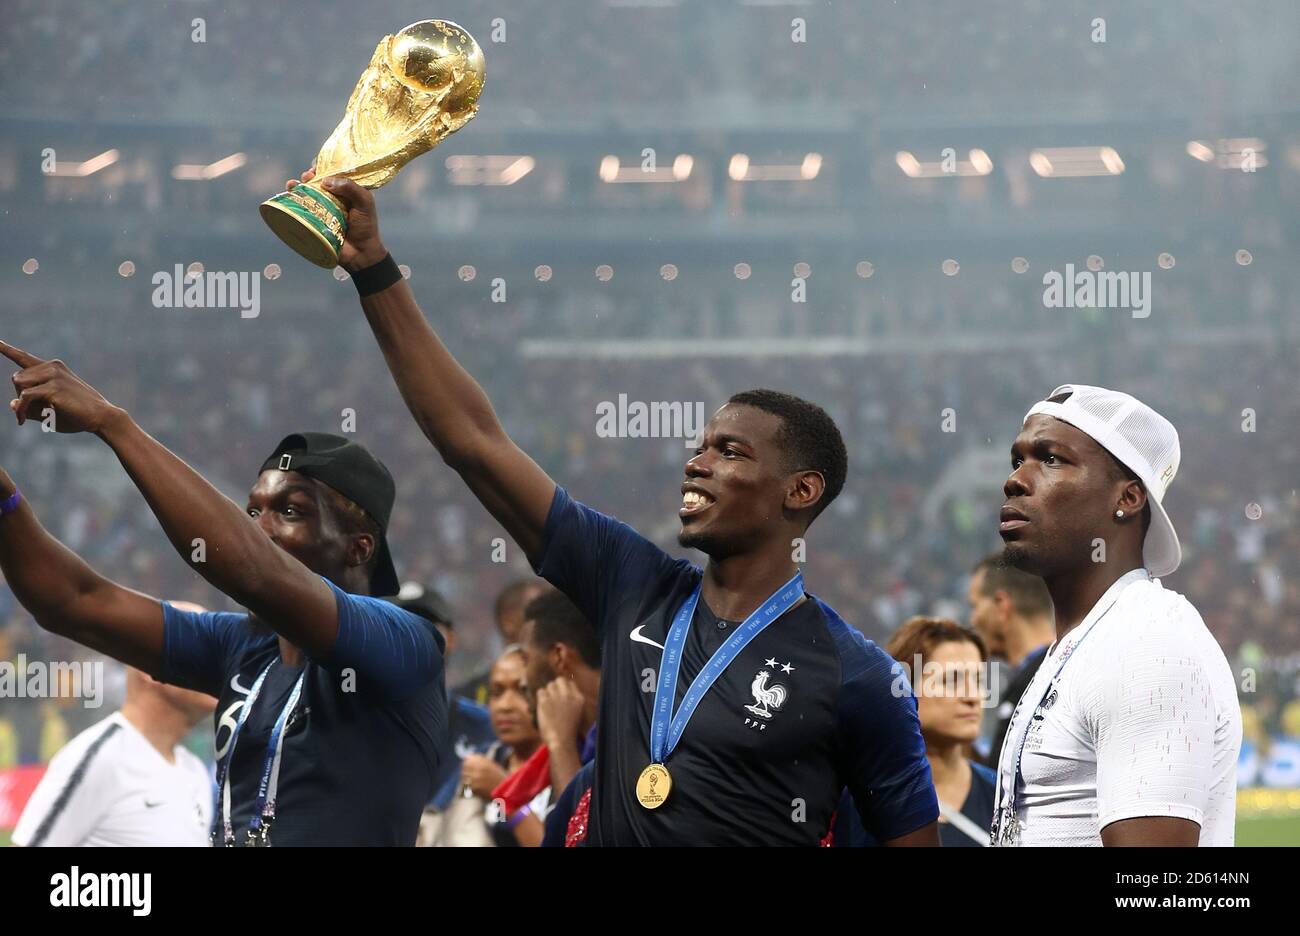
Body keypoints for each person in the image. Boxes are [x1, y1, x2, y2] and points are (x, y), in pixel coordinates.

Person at [286, 168, 939, 846]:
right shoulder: (633, 584)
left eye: (730, 452)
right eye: (699, 447)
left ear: (800, 491)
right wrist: (372, 268)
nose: (697, 461)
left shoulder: (856, 674)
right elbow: (474, 444)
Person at [0, 342, 448, 845]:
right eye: (252, 511)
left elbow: (252, 569)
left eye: (291, 511)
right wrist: (4, 500)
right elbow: (72, 601)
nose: (260, 528)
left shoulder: (403, 642)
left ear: (359, 547)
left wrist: (112, 423)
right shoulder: (243, 646)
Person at [992, 384, 1242, 846]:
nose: (1016, 480)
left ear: (1127, 498)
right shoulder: (1088, 640)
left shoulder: (1148, 643)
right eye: (1017, 460)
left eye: (1050, 460)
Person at [14, 652, 216, 847]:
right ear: (149, 668)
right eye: (199, 646)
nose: (219, 665)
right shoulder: (100, 759)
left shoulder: (194, 769)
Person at [393, 582, 496, 847]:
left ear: (451, 638)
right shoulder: (359, 720)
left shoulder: (485, 725)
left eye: (428, 625)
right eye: (402, 623)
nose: (416, 634)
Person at [966, 553, 1053, 768]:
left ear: (1002, 605)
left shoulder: (1042, 682)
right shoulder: (1055, 669)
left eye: (975, 606)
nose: (972, 619)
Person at [460, 647, 545, 847]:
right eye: (497, 692)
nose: (505, 705)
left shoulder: (566, 764)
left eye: (523, 690)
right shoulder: (483, 761)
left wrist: (505, 795)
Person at [455, 580, 549, 706]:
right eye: (538, 612)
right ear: (507, 623)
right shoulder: (469, 699)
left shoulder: (563, 686)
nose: (550, 620)